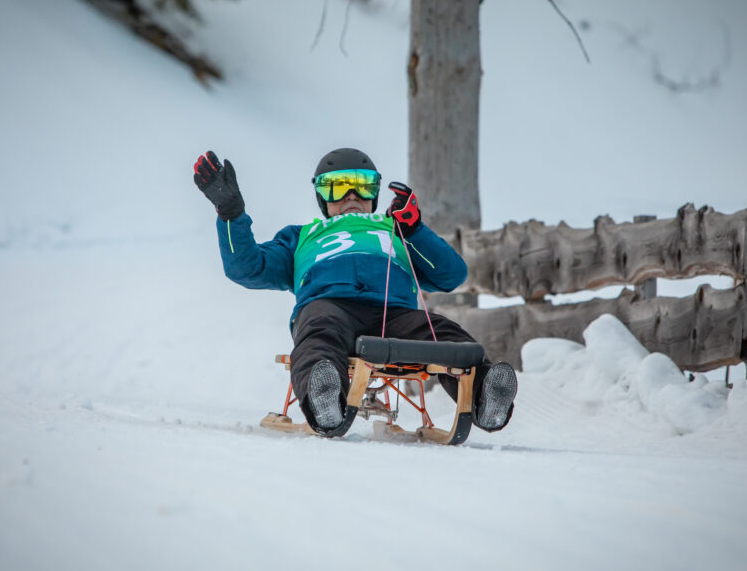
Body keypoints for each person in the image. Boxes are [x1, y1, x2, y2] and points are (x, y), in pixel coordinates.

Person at [193, 147, 517, 437]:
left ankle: (487, 396)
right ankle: (326, 399)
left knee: (445, 333)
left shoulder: (395, 229)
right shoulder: (301, 236)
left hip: (395, 315)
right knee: (319, 334)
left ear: (374, 192)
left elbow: (452, 275)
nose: (351, 196)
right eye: (337, 187)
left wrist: (414, 230)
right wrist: (231, 214)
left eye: (361, 185)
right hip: (329, 307)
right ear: (323, 197)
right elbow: (245, 268)